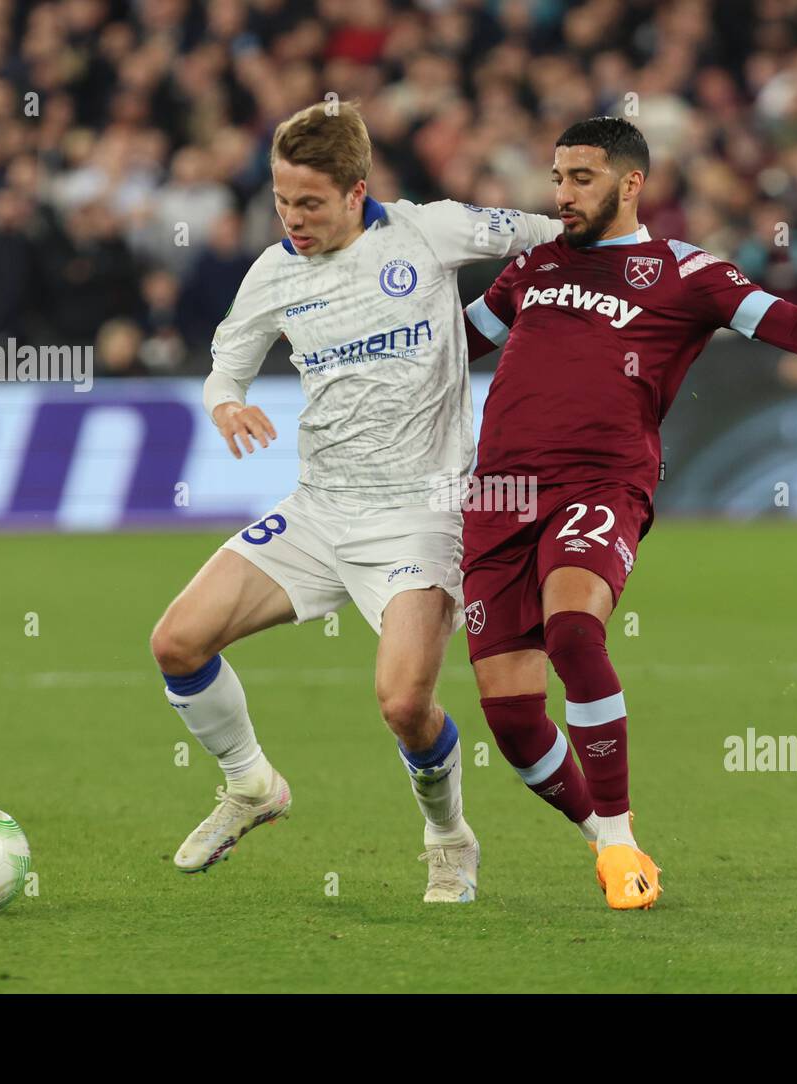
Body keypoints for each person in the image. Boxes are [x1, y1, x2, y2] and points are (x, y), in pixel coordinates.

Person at [461, 116, 797, 909]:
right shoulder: (531, 266)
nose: (562, 194)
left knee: (572, 631)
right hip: (497, 495)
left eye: (581, 178)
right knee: (515, 721)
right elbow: (456, 347)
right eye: (557, 177)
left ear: (632, 184)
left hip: (601, 483)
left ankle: (621, 840)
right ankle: (607, 840)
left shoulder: (686, 272)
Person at [149, 101, 561, 902]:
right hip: (318, 509)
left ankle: (448, 838)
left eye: (309, 202)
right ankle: (251, 786)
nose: (292, 219)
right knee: (177, 643)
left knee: (405, 703)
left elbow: (547, 238)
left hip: (422, 511)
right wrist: (225, 403)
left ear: (355, 191)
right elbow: (224, 368)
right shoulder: (272, 273)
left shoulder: (429, 232)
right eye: (280, 200)